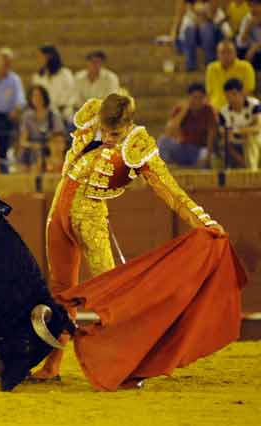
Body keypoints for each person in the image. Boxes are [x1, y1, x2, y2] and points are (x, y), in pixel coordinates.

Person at [31, 92, 225, 382]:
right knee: (60, 292)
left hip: (90, 218)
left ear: (128, 124)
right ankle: (51, 367)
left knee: (112, 298)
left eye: (115, 133)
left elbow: (168, 188)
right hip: (58, 213)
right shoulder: (93, 114)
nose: (109, 138)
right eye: (106, 131)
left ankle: (125, 366)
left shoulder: (137, 144)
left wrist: (202, 221)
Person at [158, 82, 218, 167]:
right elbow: (169, 130)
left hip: (199, 149)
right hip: (182, 147)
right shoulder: (181, 108)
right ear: (188, 97)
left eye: (200, 98)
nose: (197, 101)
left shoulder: (208, 110)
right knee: (163, 141)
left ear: (204, 98)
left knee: (210, 157)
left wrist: (208, 156)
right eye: (194, 97)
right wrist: (185, 110)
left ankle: (195, 167)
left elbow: (212, 133)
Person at [17, 85, 65, 173]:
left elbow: (59, 138)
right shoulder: (27, 116)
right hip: (33, 148)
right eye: (34, 96)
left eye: (39, 96)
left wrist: (48, 145)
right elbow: (23, 141)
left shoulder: (53, 115)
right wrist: (34, 146)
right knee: (25, 154)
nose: (36, 99)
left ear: (44, 97)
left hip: (49, 148)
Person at [171, 0, 230, 72]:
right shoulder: (188, 8)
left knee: (205, 29)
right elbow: (180, 21)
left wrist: (203, 16)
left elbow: (212, 16)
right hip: (195, 34)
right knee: (189, 30)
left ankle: (211, 64)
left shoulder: (212, 4)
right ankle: (191, 65)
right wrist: (174, 35)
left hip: (212, 31)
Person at [218, 78, 261, 170]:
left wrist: (237, 131)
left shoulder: (254, 105)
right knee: (224, 144)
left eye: (234, 94)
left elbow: (258, 127)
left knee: (250, 140)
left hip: (255, 140)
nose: (231, 99)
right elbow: (223, 132)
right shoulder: (223, 112)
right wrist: (228, 135)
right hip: (235, 143)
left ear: (242, 93)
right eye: (228, 96)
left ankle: (252, 172)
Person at [31, 45, 76, 122]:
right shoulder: (37, 77)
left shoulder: (65, 74)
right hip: (44, 114)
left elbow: (72, 95)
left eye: (40, 57)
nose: (38, 60)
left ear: (49, 57)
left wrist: (60, 110)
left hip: (64, 114)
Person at [206, 40, 255, 110]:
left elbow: (248, 92)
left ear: (235, 53)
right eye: (222, 52)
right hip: (217, 111)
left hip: (238, 111)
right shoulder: (211, 68)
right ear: (217, 55)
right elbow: (209, 94)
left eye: (229, 52)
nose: (226, 55)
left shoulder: (246, 67)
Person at [236, 0, 261, 69]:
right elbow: (241, 41)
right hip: (250, 50)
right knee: (240, 50)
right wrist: (249, 25)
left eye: (256, 6)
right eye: (251, 6)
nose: (253, 9)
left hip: (256, 49)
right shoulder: (247, 18)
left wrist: (255, 48)